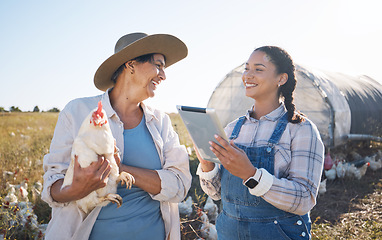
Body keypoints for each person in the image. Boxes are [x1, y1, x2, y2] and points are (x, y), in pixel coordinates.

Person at [41, 32, 192, 240]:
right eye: (158, 65)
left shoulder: (161, 122)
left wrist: (121, 170)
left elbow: (180, 185)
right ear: (130, 65)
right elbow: (52, 185)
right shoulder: (78, 112)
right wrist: (76, 189)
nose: (163, 75)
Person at [196, 46, 324, 239]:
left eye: (258, 69)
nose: (248, 75)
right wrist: (207, 166)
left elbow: (304, 199)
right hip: (230, 233)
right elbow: (217, 194)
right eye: (246, 68)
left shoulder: (301, 129)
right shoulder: (232, 129)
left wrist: (251, 174)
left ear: (281, 79)